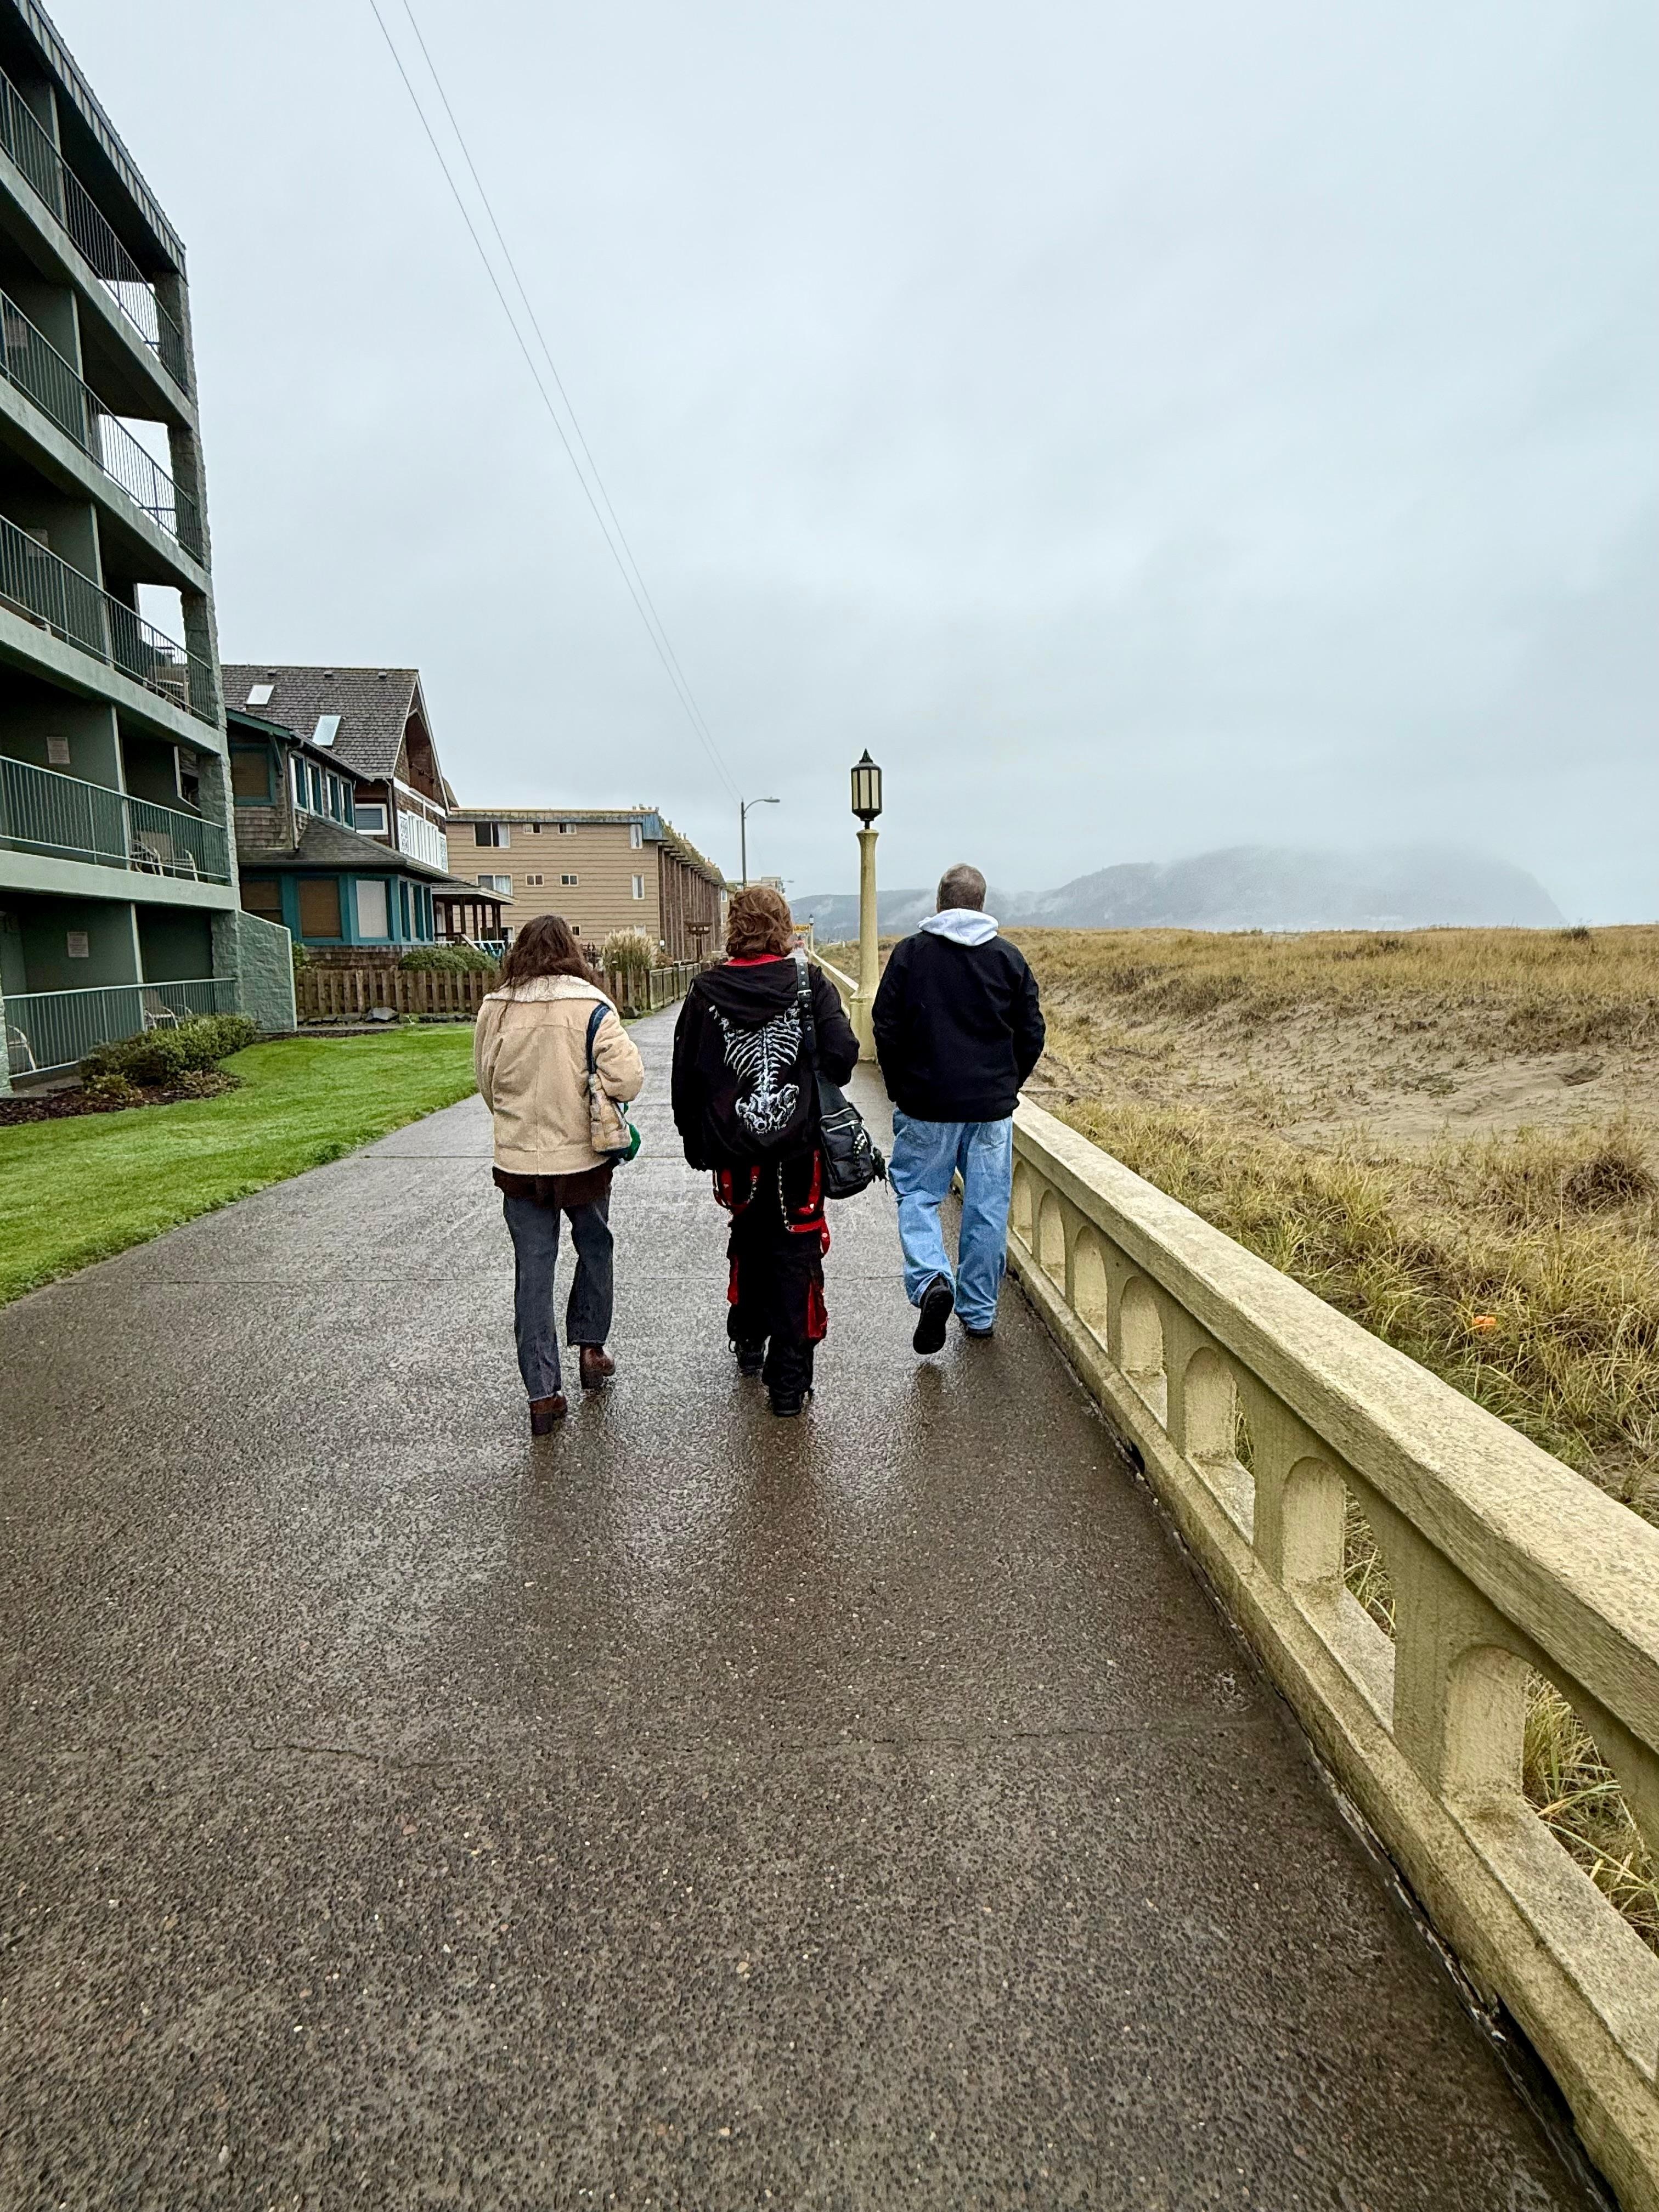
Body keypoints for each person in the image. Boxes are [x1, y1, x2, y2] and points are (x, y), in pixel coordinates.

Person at [672, 883, 860, 1417]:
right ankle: (788, 1384)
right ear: (785, 927)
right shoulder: (807, 984)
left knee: (750, 1240)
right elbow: (844, 1058)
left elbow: (685, 1077)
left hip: (736, 1155)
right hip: (800, 1153)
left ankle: (749, 1338)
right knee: (797, 1253)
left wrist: (696, 1142)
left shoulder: (706, 990)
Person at [474, 913, 645, 1435]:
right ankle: (592, 1348)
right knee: (595, 1246)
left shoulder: (495, 1008)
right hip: (584, 1160)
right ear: (570, 949)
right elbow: (629, 1079)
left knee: (533, 1272)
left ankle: (543, 1393)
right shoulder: (592, 1006)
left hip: (520, 1163)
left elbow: (486, 1082)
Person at [872, 864, 1045, 1352]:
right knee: (987, 1208)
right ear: (982, 904)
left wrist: (899, 1085)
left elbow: (885, 1025)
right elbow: (1032, 1031)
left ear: (939, 903)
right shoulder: (1008, 959)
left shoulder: (910, 956)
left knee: (918, 1194)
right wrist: (1007, 1083)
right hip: (990, 1110)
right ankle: (979, 1313)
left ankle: (931, 1280)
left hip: (926, 1104)